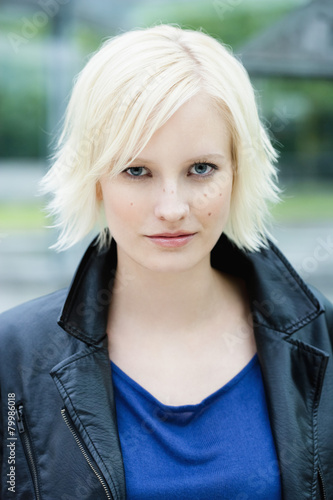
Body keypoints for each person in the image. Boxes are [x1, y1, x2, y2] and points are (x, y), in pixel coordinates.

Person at [0, 24, 332, 500]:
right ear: (95, 180)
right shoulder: (14, 357)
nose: (172, 207)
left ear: (239, 172)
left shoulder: (318, 334)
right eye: (137, 170)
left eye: (201, 169)